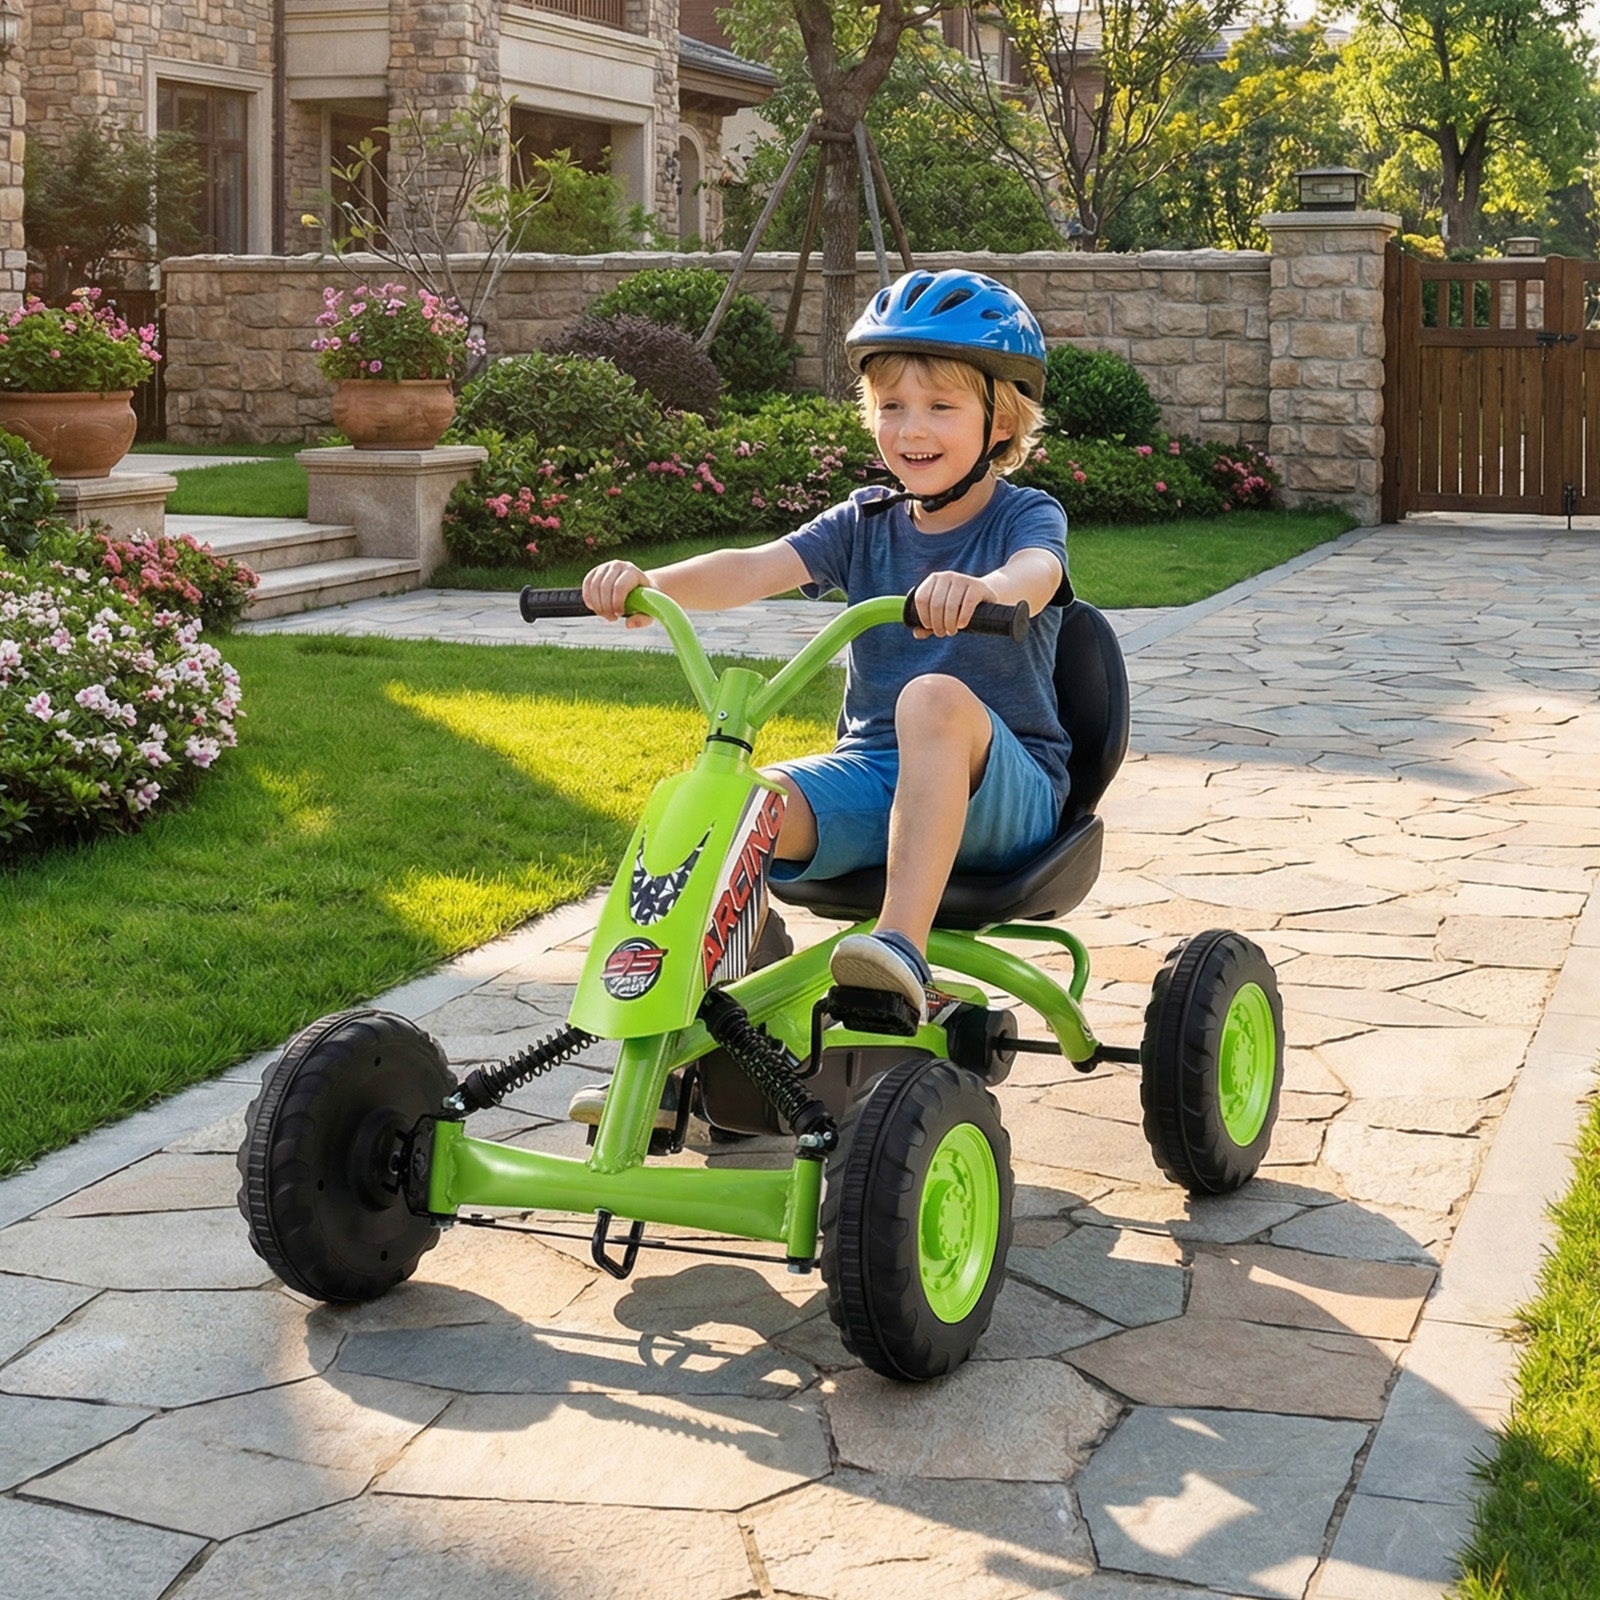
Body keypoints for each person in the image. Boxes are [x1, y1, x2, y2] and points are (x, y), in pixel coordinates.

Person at [582, 268, 1070, 1022]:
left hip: (1002, 791)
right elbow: (752, 567)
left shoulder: (1022, 517)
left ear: (998, 424)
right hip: (874, 776)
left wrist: (985, 591)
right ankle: (722, 1009)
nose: (911, 430)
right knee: (736, 808)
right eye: (892, 406)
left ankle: (898, 951)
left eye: (941, 407)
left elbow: (1038, 572)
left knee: (932, 697)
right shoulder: (865, 520)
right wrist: (653, 583)